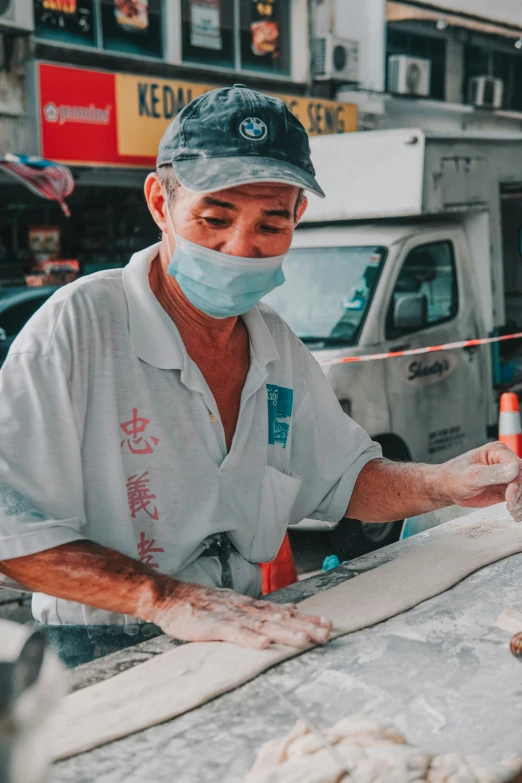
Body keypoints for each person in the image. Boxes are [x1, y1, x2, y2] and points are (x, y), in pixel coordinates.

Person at [0, 86, 521, 665]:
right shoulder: (79, 328)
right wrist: (164, 598)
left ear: (298, 215)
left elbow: (343, 479)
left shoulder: (273, 341)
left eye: (271, 225)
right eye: (214, 218)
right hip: (98, 647)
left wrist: (444, 483)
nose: (239, 249)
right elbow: (7, 528)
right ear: (158, 202)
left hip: (241, 631)